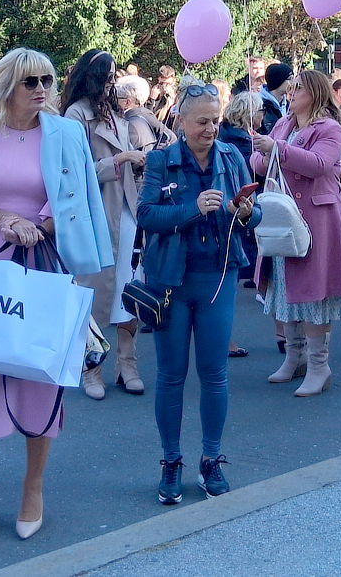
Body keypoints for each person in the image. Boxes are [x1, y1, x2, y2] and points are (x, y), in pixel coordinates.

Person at [0, 47, 111, 540]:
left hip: (46, 265)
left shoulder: (68, 134)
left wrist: (42, 225)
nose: (41, 88)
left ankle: (33, 488)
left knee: (41, 380)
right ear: (8, 84)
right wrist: (7, 220)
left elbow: (80, 202)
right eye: (30, 80)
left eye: (48, 80)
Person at [138, 79, 261, 504]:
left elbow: (255, 210)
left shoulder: (232, 156)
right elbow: (146, 215)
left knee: (215, 374)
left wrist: (246, 211)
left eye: (216, 119)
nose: (212, 128)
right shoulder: (160, 161)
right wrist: (194, 208)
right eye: (203, 121)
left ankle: (211, 459)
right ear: (182, 122)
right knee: (171, 375)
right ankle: (171, 461)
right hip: (170, 279)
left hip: (218, 276)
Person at [250, 70, 341, 398]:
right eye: (290, 89)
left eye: (298, 89)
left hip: (317, 219)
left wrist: (276, 150)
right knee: (285, 289)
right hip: (283, 217)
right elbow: (257, 161)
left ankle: (319, 366)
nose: (290, 94)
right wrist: (268, 152)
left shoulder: (330, 128)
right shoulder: (284, 124)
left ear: (315, 93)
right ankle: (294, 357)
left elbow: (321, 164)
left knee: (314, 293)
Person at [61, 50, 145, 399]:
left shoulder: (115, 114)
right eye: (106, 76)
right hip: (95, 215)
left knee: (130, 289)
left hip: (127, 209)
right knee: (92, 294)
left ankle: (127, 364)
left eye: (115, 76)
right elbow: (74, 172)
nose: (112, 82)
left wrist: (138, 160)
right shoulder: (75, 114)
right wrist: (120, 159)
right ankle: (90, 367)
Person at [219, 91, 263, 295]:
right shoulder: (242, 143)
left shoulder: (232, 134)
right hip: (240, 203)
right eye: (261, 111)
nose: (263, 115)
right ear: (249, 114)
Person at [118, 75, 176, 150]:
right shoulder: (142, 113)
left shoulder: (138, 118)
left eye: (116, 98)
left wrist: (159, 154)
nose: (113, 101)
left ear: (127, 102)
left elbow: (170, 137)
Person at [258, 63, 291, 133]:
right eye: (290, 79)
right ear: (278, 81)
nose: (293, 83)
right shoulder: (258, 105)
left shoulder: (290, 105)